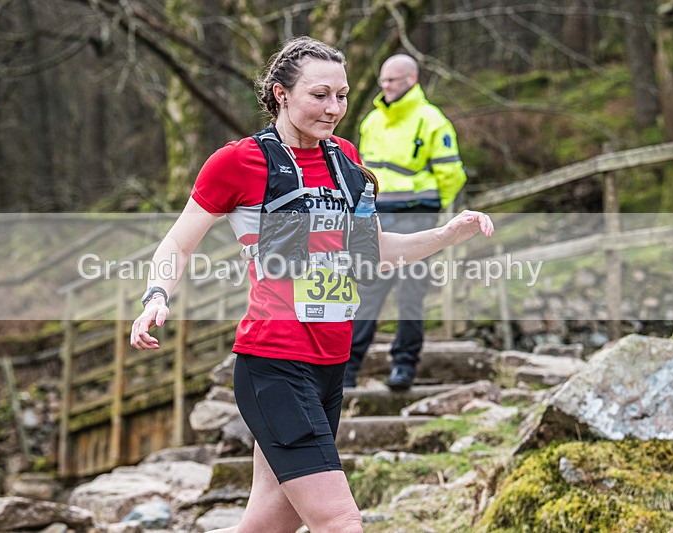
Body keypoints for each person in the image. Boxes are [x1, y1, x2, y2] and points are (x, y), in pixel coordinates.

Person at [130, 37, 493, 533]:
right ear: (281, 93)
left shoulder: (346, 159)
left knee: (269, 523)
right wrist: (155, 296)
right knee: (340, 520)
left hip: (330, 364)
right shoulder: (238, 162)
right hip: (273, 363)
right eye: (319, 95)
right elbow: (178, 244)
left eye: (342, 96)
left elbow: (376, 251)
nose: (334, 108)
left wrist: (447, 234)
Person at [344, 54, 468, 391]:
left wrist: (432, 208)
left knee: (411, 294)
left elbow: (451, 174)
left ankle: (404, 368)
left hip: (418, 214)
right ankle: (347, 371)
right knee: (366, 292)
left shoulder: (431, 120)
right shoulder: (371, 122)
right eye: (382, 80)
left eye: (392, 80)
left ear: (411, 79)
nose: (385, 86)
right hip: (377, 216)